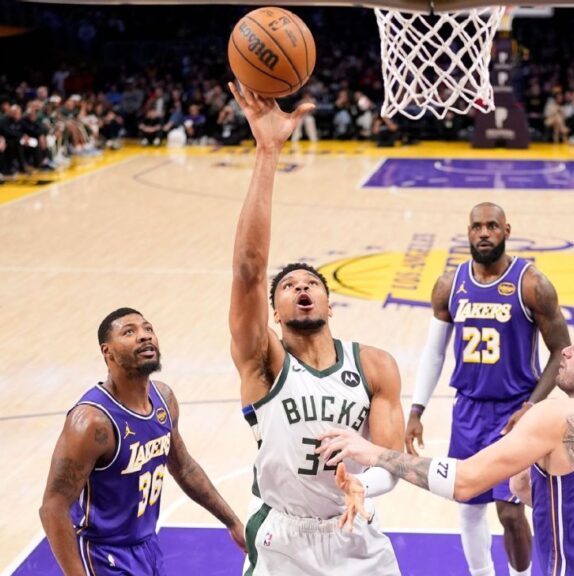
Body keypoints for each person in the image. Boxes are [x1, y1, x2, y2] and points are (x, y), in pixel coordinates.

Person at [227, 83, 404, 575]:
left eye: (311, 283)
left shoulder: (374, 364)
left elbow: (393, 460)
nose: (301, 288)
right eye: (288, 287)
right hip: (284, 538)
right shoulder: (264, 362)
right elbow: (247, 270)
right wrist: (268, 152)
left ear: (330, 301)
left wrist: (364, 485)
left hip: (356, 530)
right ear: (275, 313)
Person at [318, 320, 574, 576]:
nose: (565, 350)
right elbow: (546, 494)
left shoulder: (562, 414)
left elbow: (464, 482)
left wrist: (375, 453)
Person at [405, 202, 570, 576]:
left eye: (492, 226)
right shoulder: (450, 284)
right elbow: (434, 351)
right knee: (468, 503)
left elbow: (561, 350)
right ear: (467, 232)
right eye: (476, 226)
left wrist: (532, 405)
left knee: (511, 510)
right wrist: (417, 409)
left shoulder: (532, 284)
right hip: (467, 410)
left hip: (514, 411)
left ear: (507, 231)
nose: (483, 233)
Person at [39, 308, 245, 576]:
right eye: (129, 332)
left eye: (148, 329)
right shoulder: (92, 422)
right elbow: (53, 508)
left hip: (147, 547)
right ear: (107, 352)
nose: (144, 336)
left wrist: (232, 523)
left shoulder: (163, 398)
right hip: (104, 555)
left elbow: (183, 467)